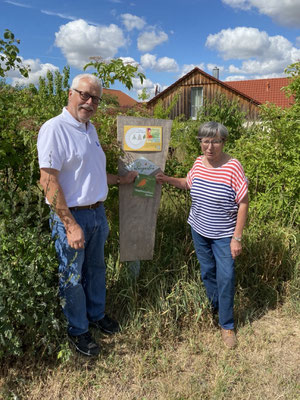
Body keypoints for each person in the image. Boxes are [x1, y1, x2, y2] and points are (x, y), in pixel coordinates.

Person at [37, 73, 137, 357]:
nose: (90, 102)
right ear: (71, 94)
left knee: (95, 270)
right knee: (72, 276)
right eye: (85, 95)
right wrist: (69, 224)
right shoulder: (54, 129)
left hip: (97, 214)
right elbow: (48, 181)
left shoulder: (89, 129)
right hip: (73, 218)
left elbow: (90, 175)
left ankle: (96, 314)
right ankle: (78, 330)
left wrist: (120, 180)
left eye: (95, 98)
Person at [156, 121, 248, 349]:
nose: (209, 146)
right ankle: (216, 308)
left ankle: (226, 325)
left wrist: (237, 237)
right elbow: (188, 183)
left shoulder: (233, 166)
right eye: (205, 141)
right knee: (208, 273)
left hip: (224, 236)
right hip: (199, 230)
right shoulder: (198, 163)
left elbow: (244, 202)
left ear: (223, 142)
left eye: (215, 141)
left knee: (225, 277)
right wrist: (167, 179)